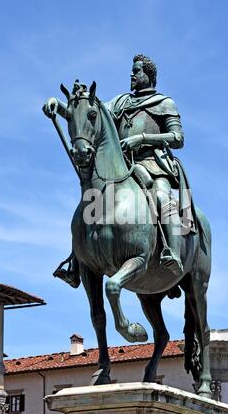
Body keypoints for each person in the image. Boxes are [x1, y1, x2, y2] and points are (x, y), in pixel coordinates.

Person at [53, 54, 188, 287]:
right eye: (132, 71)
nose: (132, 75)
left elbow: (178, 138)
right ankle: (76, 262)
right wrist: (60, 107)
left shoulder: (164, 103)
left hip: (153, 165)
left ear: (149, 75)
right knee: (91, 201)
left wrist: (142, 139)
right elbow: (89, 112)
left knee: (162, 196)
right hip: (122, 166)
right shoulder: (120, 102)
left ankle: (171, 252)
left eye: (137, 71)